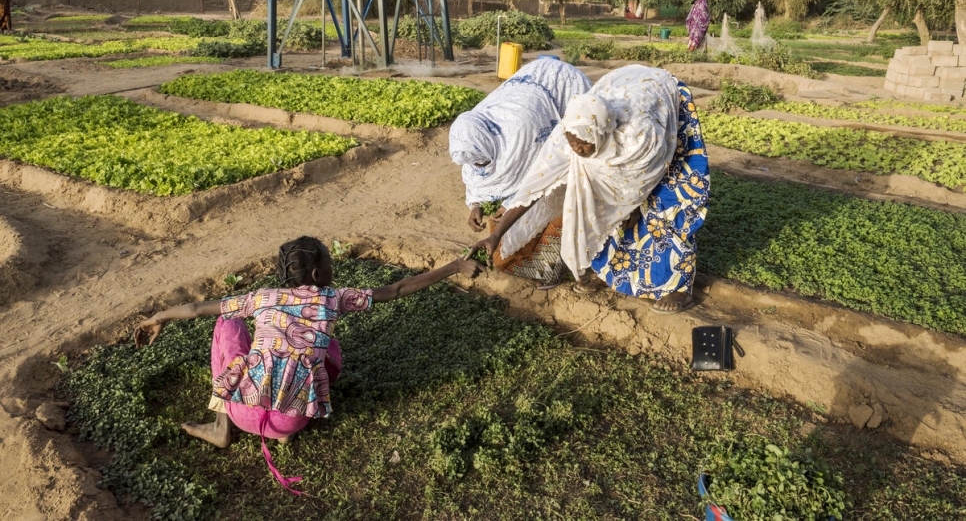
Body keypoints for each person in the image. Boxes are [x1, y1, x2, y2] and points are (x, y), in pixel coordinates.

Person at [135, 235, 482, 493]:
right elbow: (397, 289)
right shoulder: (333, 299)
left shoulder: (261, 298)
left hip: (243, 411)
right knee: (327, 346)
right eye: (331, 262)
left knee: (228, 325)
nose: (335, 266)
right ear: (319, 272)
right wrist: (454, 266)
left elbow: (197, 309)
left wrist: (159, 317)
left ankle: (220, 426)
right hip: (293, 420)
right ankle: (280, 431)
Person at [466, 65, 709, 313]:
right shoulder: (568, 136)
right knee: (595, 206)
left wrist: (632, 206)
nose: (578, 150)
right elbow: (534, 188)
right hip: (620, 85)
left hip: (662, 106)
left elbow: (644, 178)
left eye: (584, 145)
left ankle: (678, 286)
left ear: (602, 133)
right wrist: (496, 235)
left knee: (668, 201)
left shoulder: (639, 137)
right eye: (574, 144)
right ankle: (609, 271)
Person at [449, 58, 591, 238]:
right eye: (475, 163)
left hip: (560, 83)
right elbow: (475, 175)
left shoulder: (521, 133)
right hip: (529, 89)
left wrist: (511, 203)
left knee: (572, 154)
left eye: (481, 160)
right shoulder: (469, 134)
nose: (478, 165)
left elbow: (542, 170)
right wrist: (476, 204)